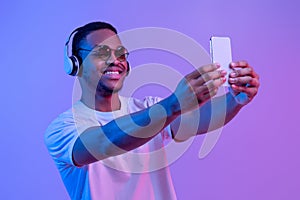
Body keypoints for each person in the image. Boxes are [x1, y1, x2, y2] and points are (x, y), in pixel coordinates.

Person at [44, 21, 260, 200]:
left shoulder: (147, 108)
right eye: (102, 52)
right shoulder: (63, 128)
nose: (115, 61)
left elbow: (201, 118)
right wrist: (173, 104)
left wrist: (235, 99)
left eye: (121, 54)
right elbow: (102, 143)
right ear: (75, 64)